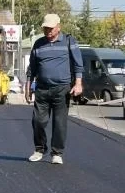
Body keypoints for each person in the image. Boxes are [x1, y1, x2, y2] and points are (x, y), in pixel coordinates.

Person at [24, 13, 83, 164]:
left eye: (50, 28)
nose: (48, 32)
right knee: (37, 121)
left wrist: (78, 84)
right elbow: (32, 68)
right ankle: (39, 149)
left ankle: (57, 153)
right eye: (45, 29)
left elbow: (78, 64)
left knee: (59, 122)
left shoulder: (69, 42)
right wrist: (28, 87)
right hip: (42, 89)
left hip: (62, 89)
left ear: (58, 27)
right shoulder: (38, 44)